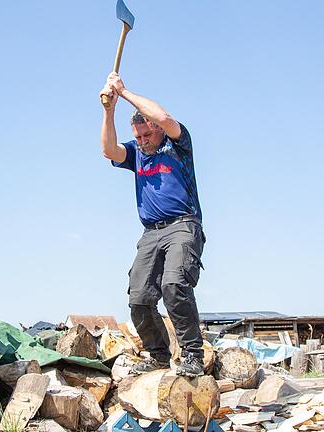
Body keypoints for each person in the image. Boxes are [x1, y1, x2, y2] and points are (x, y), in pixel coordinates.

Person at [99, 72, 206, 377]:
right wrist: (109, 111)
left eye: (147, 135)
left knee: (174, 285)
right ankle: (158, 354)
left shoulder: (177, 145)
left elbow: (162, 115)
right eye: (138, 137)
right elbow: (108, 149)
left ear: (158, 130)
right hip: (151, 233)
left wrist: (124, 91)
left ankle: (193, 355)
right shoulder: (136, 154)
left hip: (183, 225)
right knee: (140, 298)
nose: (143, 142)